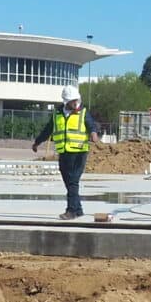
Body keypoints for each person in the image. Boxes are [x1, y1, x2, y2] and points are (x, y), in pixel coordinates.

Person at [33, 85, 101, 219]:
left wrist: (94, 133)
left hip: (79, 152)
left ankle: (71, 211)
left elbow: (91, 125)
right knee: (68, 180)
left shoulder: (83, 112)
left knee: (73, 181)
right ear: (66, 102)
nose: (76, 103)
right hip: (64, 152)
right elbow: (48, 130)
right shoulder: (57, 114)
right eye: (72, 101)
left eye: (76, 100)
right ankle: (78, 209)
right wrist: (37, 142)